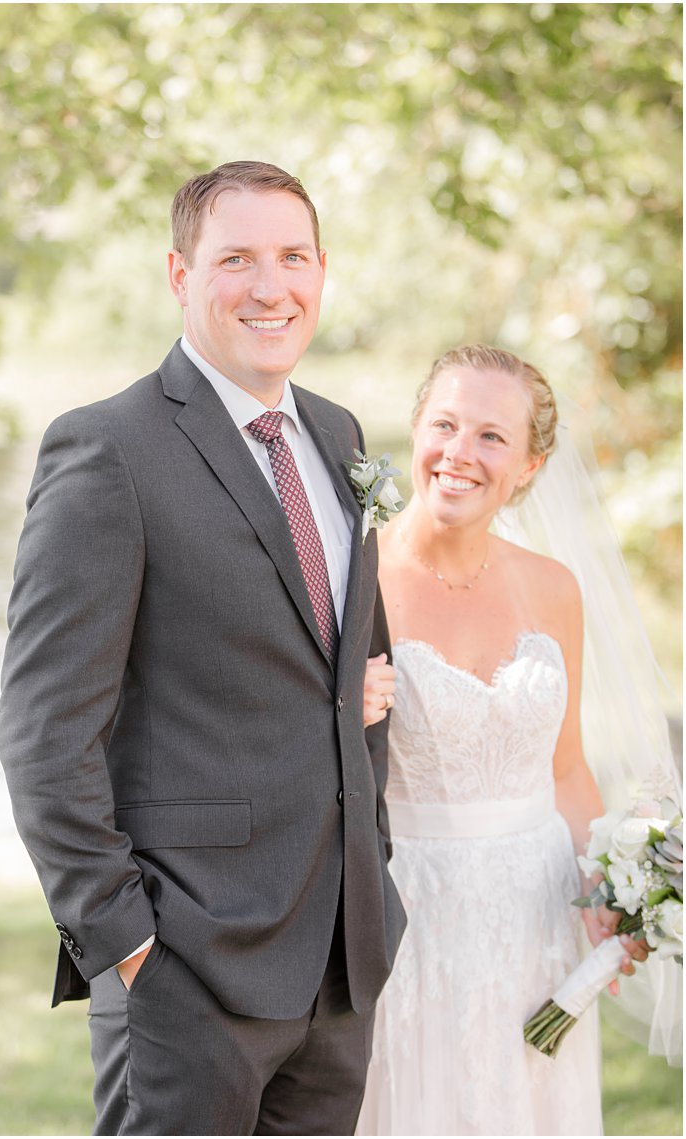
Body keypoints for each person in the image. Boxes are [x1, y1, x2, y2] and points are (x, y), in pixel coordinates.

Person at [0, 160, 405, 1135]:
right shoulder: (107, 448)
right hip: (185, 965)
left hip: (338, 959)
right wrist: (126, 942)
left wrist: (371, 866)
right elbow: (43, 732)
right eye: (235, 259)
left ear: (320, 270)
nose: (269, 286)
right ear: (179, 275)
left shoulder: (338, 434)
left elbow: (342, 675)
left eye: (291, 256)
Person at [355, 346, 654, 1135]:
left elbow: (566, 768)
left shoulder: (553, 586)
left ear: (529, 465)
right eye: (445, 424)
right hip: (411, 919)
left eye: (491, 436)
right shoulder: (356, 581)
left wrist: (607, 898)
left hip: (539, 920)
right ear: (416, 429)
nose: (459, 453)